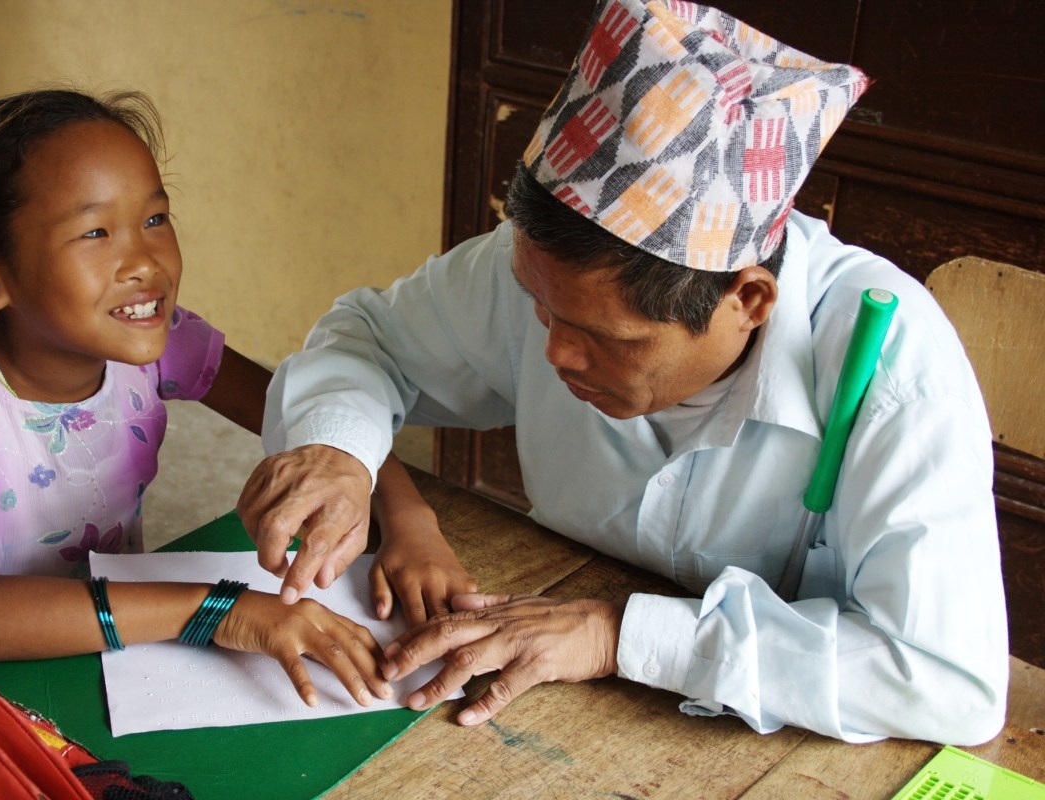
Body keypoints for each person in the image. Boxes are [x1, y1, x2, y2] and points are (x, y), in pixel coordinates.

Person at [237, 0, 1008, 744]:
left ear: (747, 300)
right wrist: (338, 451)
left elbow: (945, 679)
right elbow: (364, 337)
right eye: (541, 310)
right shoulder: (544, 278)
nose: (554, 355)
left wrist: (618, 633)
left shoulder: (893, 371)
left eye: (602, 337)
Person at [0, 89, 474, 709]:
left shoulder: (158, 341)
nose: (144, 262)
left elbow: (318, 418)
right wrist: (217, 610)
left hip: (119, 657)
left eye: (155, 219)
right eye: (95, 231)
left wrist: (409, 521)